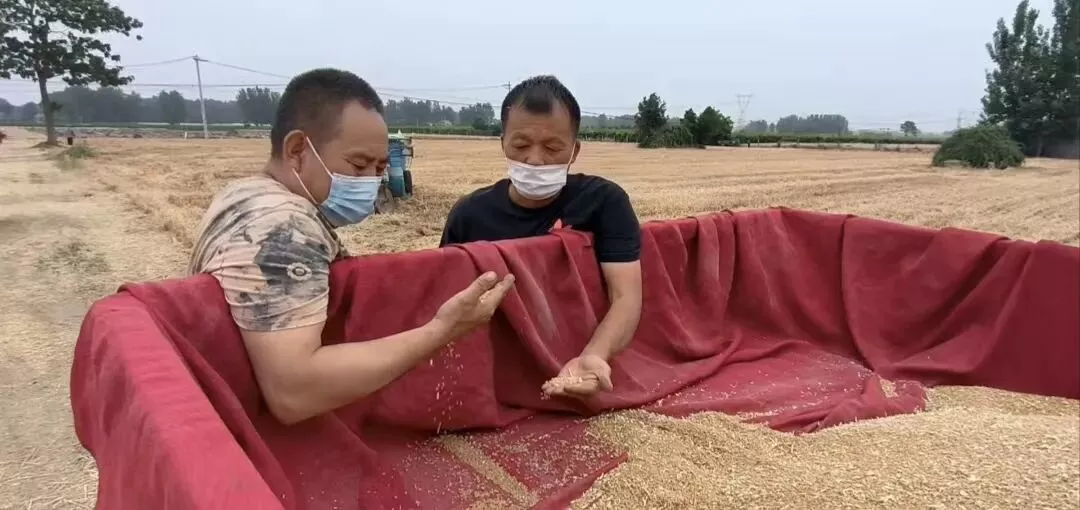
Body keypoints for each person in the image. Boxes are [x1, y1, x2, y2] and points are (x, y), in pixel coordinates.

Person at [187, 68, 516, 425]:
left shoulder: (244, 194)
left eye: (379, 168)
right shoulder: (283, 227)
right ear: (297, 150)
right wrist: (442, 331)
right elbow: (294, 391)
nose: (370, 183)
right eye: (358, 165)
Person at [439, 75, 642, 400]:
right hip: (500, 373)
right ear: (503, 143)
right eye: (520, 146)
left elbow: (626, 297)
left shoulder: (604, 203)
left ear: (574, 150)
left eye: (552, 148)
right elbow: (450, 308)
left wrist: (595, 355)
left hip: (577, 354)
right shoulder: (468, 215)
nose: (535, 159)